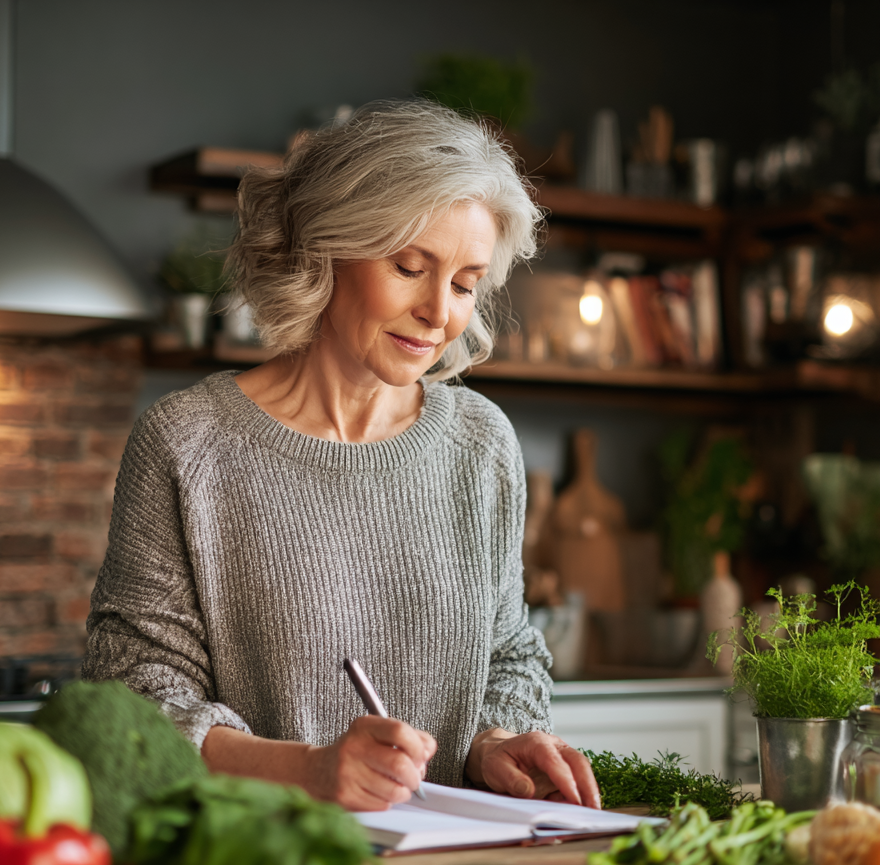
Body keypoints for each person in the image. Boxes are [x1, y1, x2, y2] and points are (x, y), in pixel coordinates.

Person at [83, 100, 600, 812]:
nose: (439, 312)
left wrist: (494, 741)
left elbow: (508, 653)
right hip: (256, 863)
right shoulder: (188, 441)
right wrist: (308, 772)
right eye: (409, 266)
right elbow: (136, 694)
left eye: (463, 283)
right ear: (327, 251)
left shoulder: (481, 444)